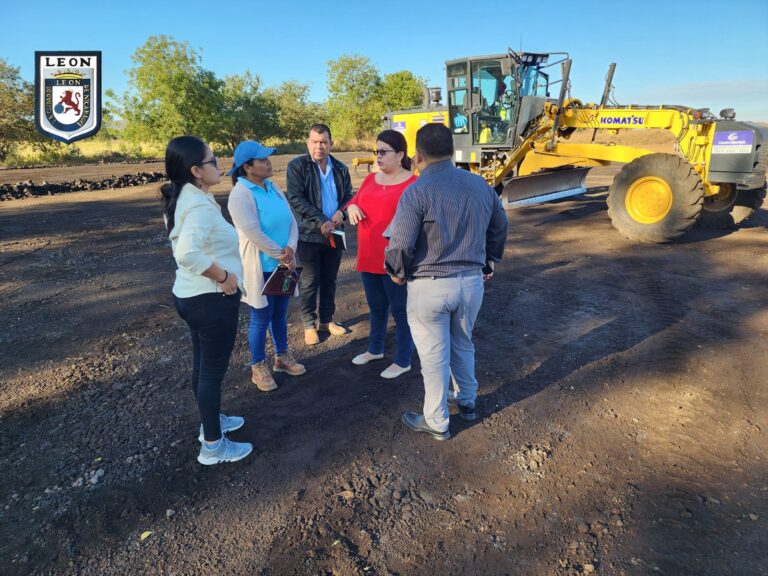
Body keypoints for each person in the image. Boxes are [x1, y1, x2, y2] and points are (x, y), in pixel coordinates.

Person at [384, 123, 509, 441]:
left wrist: (396, 271)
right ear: (452, 151)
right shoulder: (480, 185)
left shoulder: (416, 191)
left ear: (417, 155)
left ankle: (437, 421)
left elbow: (399, 243)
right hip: (470, 283)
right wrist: (490, 259)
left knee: (433, 355)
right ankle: (467, 402)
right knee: (463, 343)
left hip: (429, 286)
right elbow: (500, 223)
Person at [161, 135, 252, 465]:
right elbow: (187, 253)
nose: (220, 166)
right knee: (211, 373)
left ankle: (211, 421)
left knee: (203, 368)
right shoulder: (197, 204)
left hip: (190, 297)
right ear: (197, 170)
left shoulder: (186, 196)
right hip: (210, 300)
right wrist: (225, 278)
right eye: (214, 161)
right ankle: (213, 446)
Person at [228, 141, 306, 393]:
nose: (269, 162)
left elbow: (291, 221)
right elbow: (252, 231)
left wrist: (291, 248)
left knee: (280, 313)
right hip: (260, 266)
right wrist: (281, 254)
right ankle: (257, 366)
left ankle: (281, 357)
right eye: (263, 160)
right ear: (247, 167)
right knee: (261, 317)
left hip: (283, 266)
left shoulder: (273, 188)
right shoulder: (240, 194)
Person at [345, 130, 416, 379]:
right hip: (368, 256)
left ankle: (403, 359)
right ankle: (375, 349)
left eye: (384, 152)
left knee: (401, 310)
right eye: (376, 152)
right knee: (376, 306)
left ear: (400, 154)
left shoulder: (412, 184)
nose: (378, 156)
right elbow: (353, 201)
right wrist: (352, 206)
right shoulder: (370, 180)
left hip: (395, 260)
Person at [286, 124, 354, 345]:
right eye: (314, 142)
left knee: (330, 279)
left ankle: (327, 320)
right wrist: (321, 220)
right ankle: (309, 324)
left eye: (323, 142)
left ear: (331, 143)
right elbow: (296, 198)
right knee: (309, 281)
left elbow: (349, 198)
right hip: (309, 235)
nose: (319, 146)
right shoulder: (297, 166)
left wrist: (341, 213)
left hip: (335, 233)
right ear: (308, 143)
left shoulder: (341, 168)